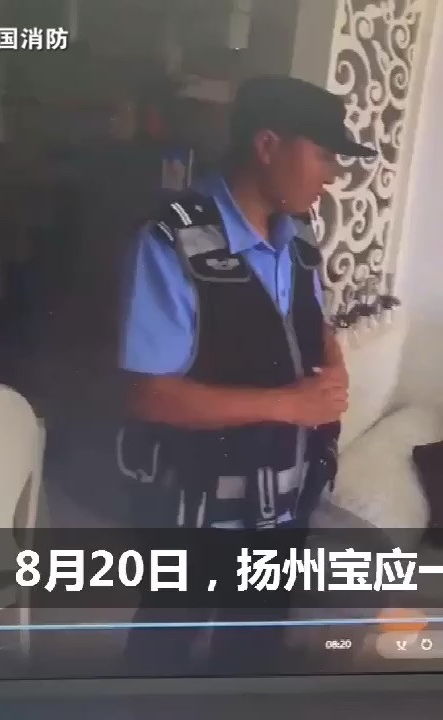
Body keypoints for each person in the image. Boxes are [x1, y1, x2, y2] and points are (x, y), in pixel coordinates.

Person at [116, 76, 377, 673]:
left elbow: (306, 315)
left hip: (285, 497)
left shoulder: (299, 232)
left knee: (254, 645)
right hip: (197, 504)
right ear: (267, 146)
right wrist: (289, 405)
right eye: (323, 156)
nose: (332, 175)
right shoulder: (171, 240)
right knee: (164, 648)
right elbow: (148, 394)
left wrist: (332, 358)